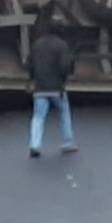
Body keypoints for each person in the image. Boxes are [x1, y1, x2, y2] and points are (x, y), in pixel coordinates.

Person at [27, 25, 78, 158]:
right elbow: (65, 66)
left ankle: (35, 144)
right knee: (64, 113)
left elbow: (30, 64)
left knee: (38, 117)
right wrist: (64, 79)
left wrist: (33, 78)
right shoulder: (62, 46)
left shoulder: (36, 45)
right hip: (57, 87)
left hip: (40, 87)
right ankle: (67, 142)